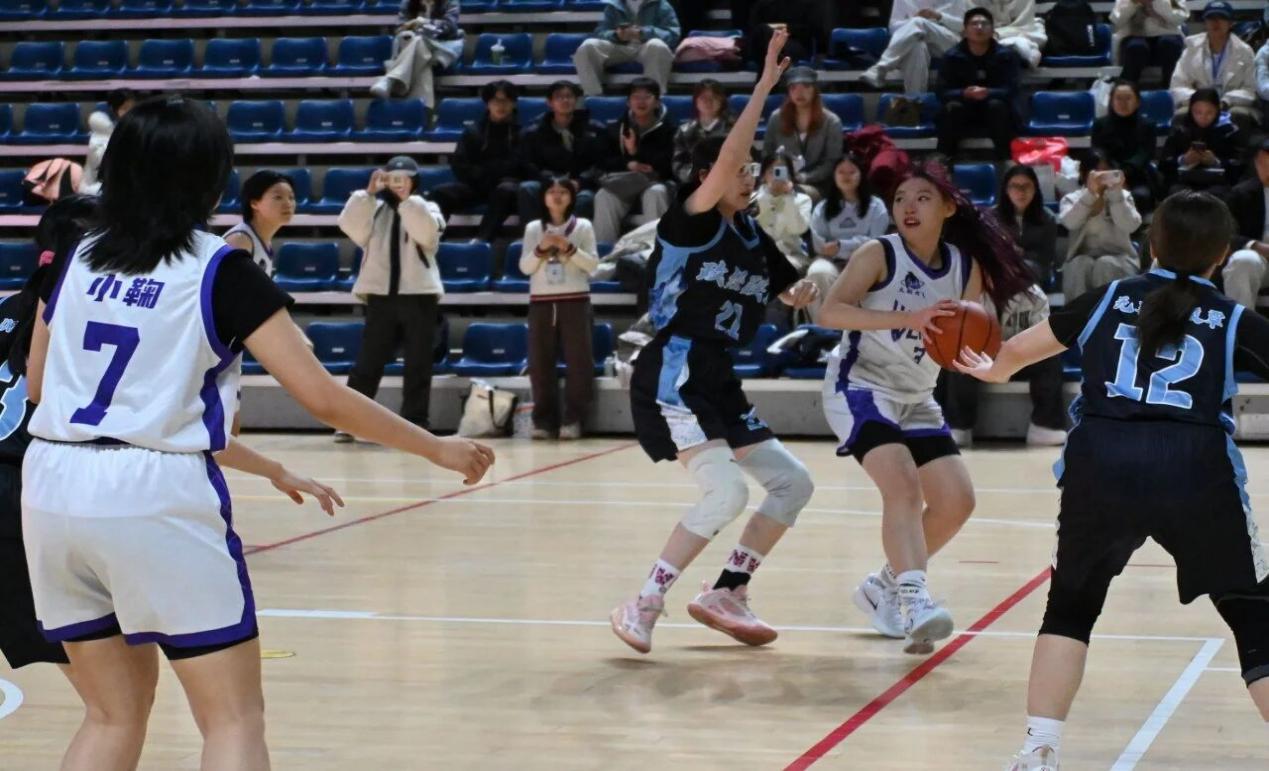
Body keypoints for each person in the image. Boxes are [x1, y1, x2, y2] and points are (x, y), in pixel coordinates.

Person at [23, 96, 493, 771]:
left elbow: (38, 384)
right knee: (232, 720)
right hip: (153, 491)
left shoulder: (75, 254)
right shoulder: (219, 269)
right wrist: (436, 447)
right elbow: (323, 398)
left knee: (110, 714)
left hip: (52, 484)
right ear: (211, 178)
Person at [954, 191, 1269, 770]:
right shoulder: (1231, 318)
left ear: (1151, 245)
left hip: (1103, 462)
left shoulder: (1109, 298)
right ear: (1222, 256)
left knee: (1070, 608)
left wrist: (972, 359)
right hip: (1194, 465)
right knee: (1253, 612)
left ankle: (1038, 749)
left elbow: (1005, 361)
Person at [611, 30, 820, 655]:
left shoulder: (753, 238)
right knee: (726, 492)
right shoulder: (690, 221)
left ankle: (728, 591)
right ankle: (645, 601)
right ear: (709, 175)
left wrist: (803, 294)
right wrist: (763, 87)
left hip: (718, 376)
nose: (748, 176)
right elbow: (730, 155)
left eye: (754, 170)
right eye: (740, 168)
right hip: (674, 368)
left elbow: (790, 289)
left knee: (793, 484)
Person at [816, 160, 1033, 654]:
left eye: (921, 198)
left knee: (957, 501)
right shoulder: (879, 253)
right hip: (861, 386)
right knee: (903, 487)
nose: (908, 207)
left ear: (948, 208)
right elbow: (830, 312)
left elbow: (966, 336)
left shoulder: (964, 267)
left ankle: (883, 586)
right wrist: (910, 317)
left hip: (916, 395)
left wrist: (984, 358)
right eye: (899, 199)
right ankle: (915, 601)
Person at [337, 156, 445, 440]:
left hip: (419, 295)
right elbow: (349, 226)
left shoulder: (428, 207)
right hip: (380, 295)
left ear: (415, 181)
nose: (397, 184)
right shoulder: (374, 209)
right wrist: (367, 194)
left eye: (404, 178)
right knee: (368, 361)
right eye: (393, 178)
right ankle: (350, 421)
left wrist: (408, 202)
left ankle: (416, 422)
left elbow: (427, 235)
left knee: (418, 363)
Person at [938, 282, 1066, 447]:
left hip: (1020, 360)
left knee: (1050, 354)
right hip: (980, 357)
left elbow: (1043, 339)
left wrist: (1011, 350)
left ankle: (1046, 426)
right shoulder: (970, 293)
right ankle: (959, 425)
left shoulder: (1035, 296)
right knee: (959, 354)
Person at [521, 177, 599, 441]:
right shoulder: (534, 228)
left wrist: (569, 248)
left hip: (575, 301)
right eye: (551, 191)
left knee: (579, 363)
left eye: (563, 192)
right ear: (543, 197)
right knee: (540, 363)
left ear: (571, 197)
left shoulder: (583, 226)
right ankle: (543, 421)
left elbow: (592, 265)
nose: (556, 196)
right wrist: (540, 249)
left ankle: (574, 419)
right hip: (541, 303)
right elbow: (525, 267)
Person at [429, 80, 526, 245]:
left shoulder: (522, 133)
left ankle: (481, 241)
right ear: (488, 103)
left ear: (513, 103)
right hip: (477, 187)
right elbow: (460, 165)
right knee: (441, 192)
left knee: (505, 190)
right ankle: (431, 240)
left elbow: (519, 166)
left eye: (505, 100)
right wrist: (484, 176)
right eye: (495, 100)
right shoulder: (473, 131)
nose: (500, 105)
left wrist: (490, 173)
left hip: (506, 191)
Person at [593, 77, 679, 244]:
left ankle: (656, 251)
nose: (641, 101)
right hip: (624, 181)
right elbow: (602, 161)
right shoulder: (615, 129)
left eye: (647, 96)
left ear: (657, 102)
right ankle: (604, 252)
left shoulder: (671, 130)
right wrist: (628, 163)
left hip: (657, 181)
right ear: (628, 102)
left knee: (655, 193)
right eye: (636, 97)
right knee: (604, 195)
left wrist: (635, 152)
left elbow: (668, 164)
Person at [935, 7, 1023, 160]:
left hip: (994, 110)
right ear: (965, 30)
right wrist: (964, 93)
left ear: (993, 30)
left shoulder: (1006, 55)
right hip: (964, 109)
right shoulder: (951, 56)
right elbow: (942, 92)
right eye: (974, 24)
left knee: (997, 106)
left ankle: (1006, 160)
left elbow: (1012, 89)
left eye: (984, 23)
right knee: (952, 108)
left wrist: (988, 92)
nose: (979, 27)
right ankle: (944, 160)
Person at [1059, 150, 1143, 301]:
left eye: (1106, 172)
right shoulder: (1071, 199)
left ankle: (1109, 314)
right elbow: (1070, 223)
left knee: (1105, 264)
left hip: (1120, 258)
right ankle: (1079, 315)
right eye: (1097, 173)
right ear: (1084, 174)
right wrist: (1089, 197)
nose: (1102, 177)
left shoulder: (1124, 197)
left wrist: (1116, 197)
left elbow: (1131, 226)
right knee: (1080, 265)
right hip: (1080, 258)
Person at [518, 80, 607, 224]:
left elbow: (601, 163)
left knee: (586, 198)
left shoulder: (595, 129)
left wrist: (580, 181)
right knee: (527, 188)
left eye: (569, 96)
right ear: (549, 102)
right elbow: (529, 165)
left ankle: (569, 236)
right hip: (547, 183)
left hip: (580, 185)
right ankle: (533, 235)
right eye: (559, 97)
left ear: (576, 100)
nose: (565, 100)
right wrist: (553, 181)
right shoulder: (533, 132)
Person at [1169, 1, 1259, 130]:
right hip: (1198, 103)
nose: (1216, 22)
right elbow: (1177, 85)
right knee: (1181, 115)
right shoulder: (1191, 48)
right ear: (1205, 23)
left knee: (1239, 114)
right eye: (1211, 18)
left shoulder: (1245, 51)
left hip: (1231, 105)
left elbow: (1251, 89)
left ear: (1230, 23)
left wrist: (1225, 101)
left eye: (1222, 18)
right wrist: (1201, 100)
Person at [761, 66, 844, 200]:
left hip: (818, 184)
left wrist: (803, 178)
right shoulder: (776, 118)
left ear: (815, 90)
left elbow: (831, 163)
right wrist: (777, 177)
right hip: (780, 179)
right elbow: (767, 154)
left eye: (806, 86)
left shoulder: (832, 122)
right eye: (793, 87)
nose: (799, 92)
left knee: (796, 195)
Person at [573, 0, 681, 97]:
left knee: (657, 45)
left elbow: (673, 34)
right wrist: (616, 35)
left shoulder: (661, 4)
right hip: (619, 46)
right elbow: (600, 32)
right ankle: (594, 97)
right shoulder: (614, 5)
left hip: (645, 46)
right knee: (587, 46)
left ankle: (653, 98)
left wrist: (643, 33)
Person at [861, 0, 970, 94]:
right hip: (916, 38)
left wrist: (939, 16)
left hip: (948, 42)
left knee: (918, 22)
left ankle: (880, 68)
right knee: (917, 47)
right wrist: (911, 22)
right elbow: (893, 27)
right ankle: (915, 101)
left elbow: (964, 26)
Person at [370, 0, 463, 108]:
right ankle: (424, 109)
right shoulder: (407, 3)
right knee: (421, 52)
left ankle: (390, 79)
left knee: (419, 44)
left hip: (443, 49)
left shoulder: (451, 2)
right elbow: (399, 30)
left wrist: (423, 22)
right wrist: (412, 27)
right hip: (418, 50)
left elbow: (450, 27)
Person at [810, 154, 891, 272]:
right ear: (834, 176)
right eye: (841, 172)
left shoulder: (876, 206)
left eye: (852, 172)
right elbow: (821, 246)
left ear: (861, 174)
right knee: (818, 270)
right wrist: (851, 247)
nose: (846, 176)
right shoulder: (822, 208)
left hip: (866, 258)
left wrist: (841, 245)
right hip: (831, 260)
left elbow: (876, 242)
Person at [1090, 79, 1161, 214]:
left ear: (1137, 102)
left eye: (1128, 98)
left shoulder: (1147, 126)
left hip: (1137, 178)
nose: (1123, 103)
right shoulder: (1100, 124)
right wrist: (1113, 176)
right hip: (1107, 177)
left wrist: (1123, 174)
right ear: (1111, 101)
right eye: (1118, 98)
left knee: (1139, 197)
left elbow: (1144, 154)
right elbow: (1098, 153)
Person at [1160, 87, 1243, 196]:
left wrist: (1215, 162)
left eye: (1209, 112)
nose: (1203, 117)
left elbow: (1239, 164)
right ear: (1191, 110)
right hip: (1184, 181)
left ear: (1217, 110)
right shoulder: (1180, 129)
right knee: (1177, 193)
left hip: (1218, 182)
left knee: (1218, 194)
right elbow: (1164, 162)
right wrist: (1183, 160)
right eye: (1198, 112)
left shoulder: (1229, 130)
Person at [1219, 139, 1269, 309]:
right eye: (1263, 163)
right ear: (1256, 164)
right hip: (1259, 261)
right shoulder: (1240, 194)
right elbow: (1224, 234)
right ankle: (1241, 322)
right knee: (1243, 260)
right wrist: (1254, 245)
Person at [994, 164, 1058, 286]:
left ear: (1035, 189)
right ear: (1006, 190)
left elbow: (1048, 256)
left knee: (1024, 268)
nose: (1021, 191)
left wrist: (1022, 253)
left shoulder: (1047, 217)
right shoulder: (993, 217)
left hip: (1036, 269)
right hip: (1002, 267)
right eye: (1015, 186)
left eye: (1027, 186)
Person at [223, 170, 296, 275]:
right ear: (254, 203)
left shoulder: (263, 240)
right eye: (278, 197)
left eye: (291, 197)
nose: (288, 204)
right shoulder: (240, 241)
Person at [672, 79, 735, 186]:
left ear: (722, 100)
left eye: (714, 97)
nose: (708, 102)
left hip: (727, 183)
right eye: (703, 98)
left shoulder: (735, 129)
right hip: (693, 183)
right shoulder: (684, 130)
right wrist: (693, 176)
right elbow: (678, 162)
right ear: (695, 101)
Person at [1110, 0, 1188, 85]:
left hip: (1168, 33)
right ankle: (1128, 87)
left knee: (1170, 44)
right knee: (1136, 47)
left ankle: (1171, 86)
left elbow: (1180, 18)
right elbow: (1116, 20)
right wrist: (1133, 3)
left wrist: (1156, 2)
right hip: (1134, 34)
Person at [80, 87, 136, 196]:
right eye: (125, 108)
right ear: (113, 109)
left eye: (132, 108)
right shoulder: (100, 133)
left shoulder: (135, 128)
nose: (130, 112)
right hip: (96, 187)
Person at [978, 0, 1048, 68]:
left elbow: (1024, 25)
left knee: (1037, 36)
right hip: (987, 35)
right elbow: (976, 25)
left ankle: (1021, 50)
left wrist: (999, 34)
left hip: (1019, 31)